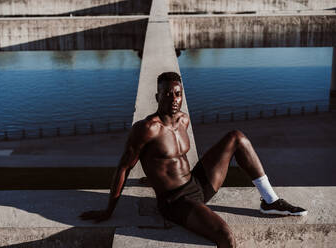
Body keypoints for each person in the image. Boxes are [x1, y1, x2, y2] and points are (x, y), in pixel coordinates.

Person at [80, 72, 307, 248]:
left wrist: (154, 175)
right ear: (157, 96)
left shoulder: (183, 120)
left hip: (196, 185)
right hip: (176, 201)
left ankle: (270, 200)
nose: (174, 99)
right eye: (167, 94)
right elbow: (123, 168)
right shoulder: (147, 129)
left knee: (236, 137)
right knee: (225, 236)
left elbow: (172, 161)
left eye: (178, 93)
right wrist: (108, 211)